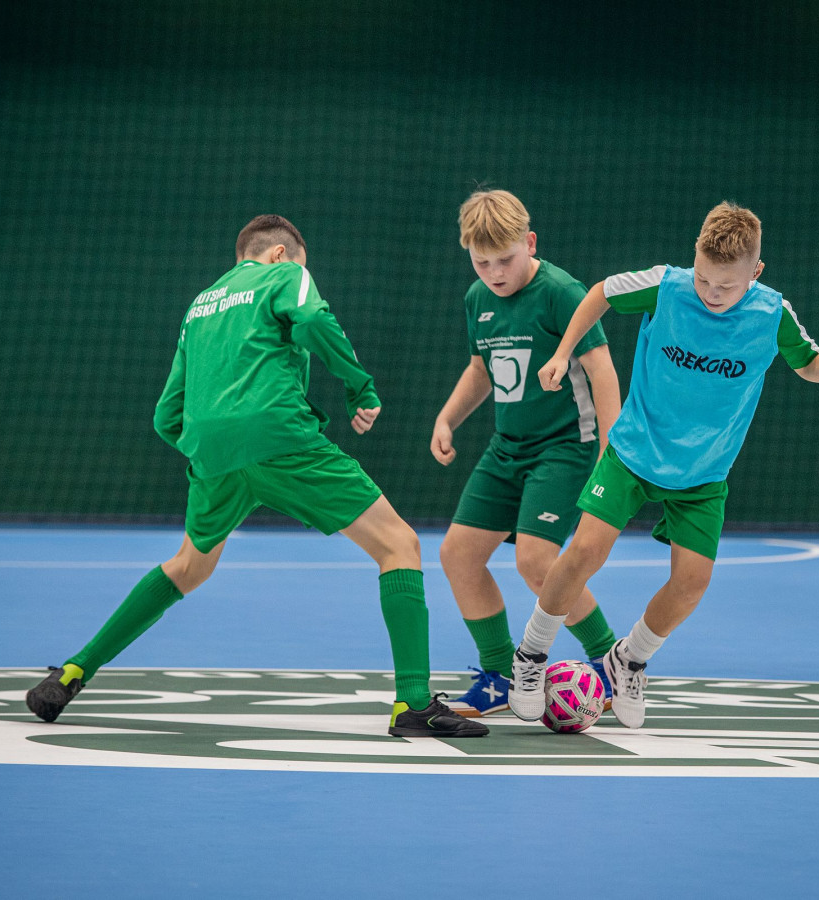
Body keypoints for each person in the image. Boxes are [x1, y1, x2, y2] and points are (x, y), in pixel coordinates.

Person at [25, 215, 487, 738]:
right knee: (399, 545)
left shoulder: (200, 305)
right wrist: (359, 387)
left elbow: (166, 415)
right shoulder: (285, 275)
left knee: (187, 567)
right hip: (280, 437)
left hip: (213, 455)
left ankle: (73, 672)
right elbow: (313, 320)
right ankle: (413, 704)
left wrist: (213, 450)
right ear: (280, 253)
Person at [506, 202, 819, 728]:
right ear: (694, 260)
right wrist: (562, 352)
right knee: (585, 551)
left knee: (691, 584)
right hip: (634, 451)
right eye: (704, 278)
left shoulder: (772, 314)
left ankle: (629, 659)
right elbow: (601, 293)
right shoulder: (666, 286)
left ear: (755, 272)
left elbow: (807, 361)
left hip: (704, 474)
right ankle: (530, 656)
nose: (711, 292)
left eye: (726, 285)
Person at [431, 189, 622, 716]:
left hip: (564, 448)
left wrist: (611, 450)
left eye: (506, 259)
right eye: (482, 262)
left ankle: (611, 661)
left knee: (536, 561)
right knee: (457, 555)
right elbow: (481, 369)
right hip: (506, 449)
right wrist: (447, 418)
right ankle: (499, 676)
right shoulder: (477, 299)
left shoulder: (562, 291)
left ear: (530, 243)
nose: (495, 273)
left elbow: (602, 369)